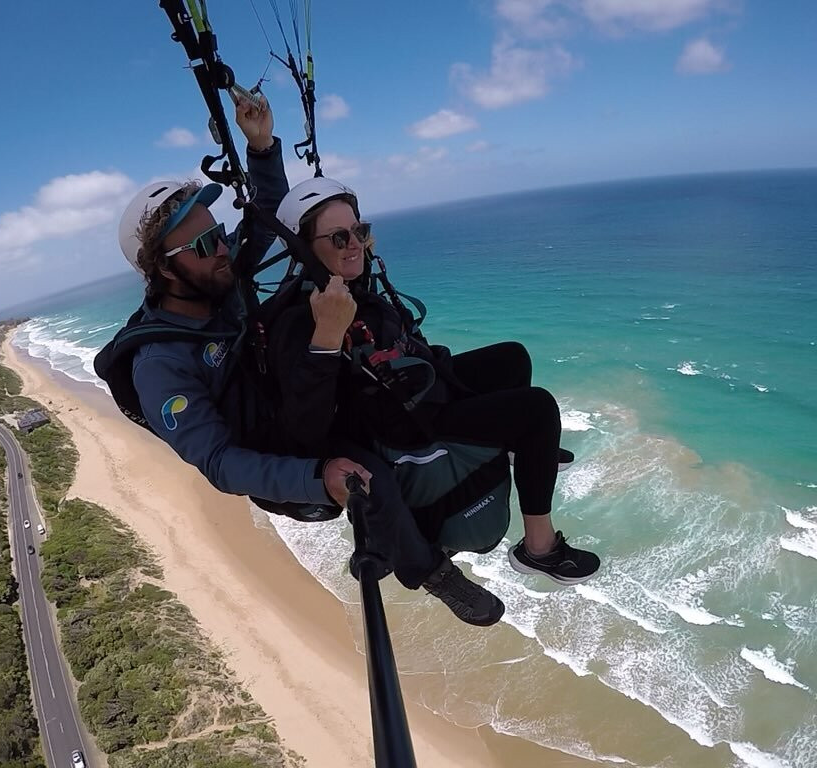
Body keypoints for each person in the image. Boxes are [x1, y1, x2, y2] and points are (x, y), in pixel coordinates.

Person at [267, 177, 601, 621]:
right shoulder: (298, 320)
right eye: (339, 237)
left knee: (512, 359)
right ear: (307, 250)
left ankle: (527, 452)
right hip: (399, 424)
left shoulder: (354, 288)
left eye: (360, 231)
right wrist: (326, 338)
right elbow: (305, 426)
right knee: (538, 409)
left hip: (412, 392)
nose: (355, 245)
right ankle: (538, 548)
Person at [112, 95, 371, 519]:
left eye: (218, 233)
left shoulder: (218, 274)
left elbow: (265, 212)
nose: (221, 249)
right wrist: (315, 479)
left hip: (304, 404)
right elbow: (219, 462)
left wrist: (262, 145)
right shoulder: (160, 365)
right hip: (285, 458)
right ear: (165, 268)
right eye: (201, 244)